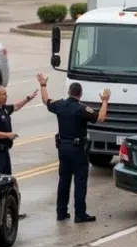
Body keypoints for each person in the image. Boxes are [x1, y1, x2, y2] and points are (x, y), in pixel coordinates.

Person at [37, 72, 111, 223]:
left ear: (69, 92)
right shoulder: (81, 109)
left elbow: (45, 101)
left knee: (64, 180)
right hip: (78, 150)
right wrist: (105, 101)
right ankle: (80, 214)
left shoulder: (60, 105)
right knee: (80, 181)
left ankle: (61, 212)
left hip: (63, 148)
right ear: (80, 94)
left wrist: (43, 84)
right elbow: (101, 118)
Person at [0, 85, 38, 175]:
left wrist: (27, 99)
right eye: (4, 94)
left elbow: (16, 107)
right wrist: (8, 135)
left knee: (7, 178)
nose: (6, 96)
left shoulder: (2, 108)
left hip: (4, 151)